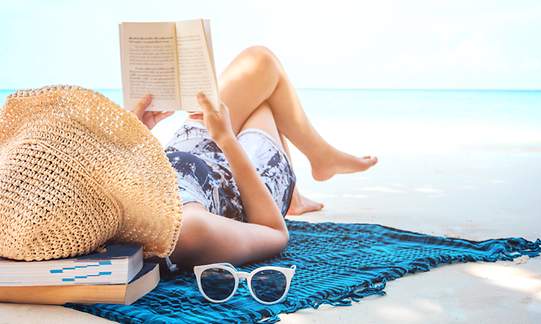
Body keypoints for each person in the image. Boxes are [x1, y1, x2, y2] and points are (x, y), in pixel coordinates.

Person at [132, 46, 378, 269]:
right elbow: (275, 233)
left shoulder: (117, 195)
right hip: (248, 186)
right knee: (263, 99)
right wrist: (227, 139)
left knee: (260, 66)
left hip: (190, 149)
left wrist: (134, 137)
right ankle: (309, 176)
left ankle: (317, 166)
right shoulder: (188, 229)